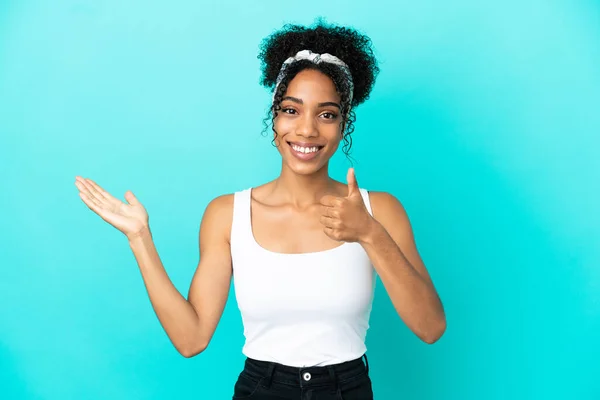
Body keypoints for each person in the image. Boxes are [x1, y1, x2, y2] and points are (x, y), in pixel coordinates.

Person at [74, 20, 446, 400]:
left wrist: (370, 234)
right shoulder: (226, 214)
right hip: (261, 390)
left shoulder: (378, 211)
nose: (306, 130)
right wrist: (140, 239)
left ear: (343, 123)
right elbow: (191, 339)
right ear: (275, 117)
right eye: (291, 110)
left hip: (347, 389)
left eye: (327, 114)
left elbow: (431, 328)